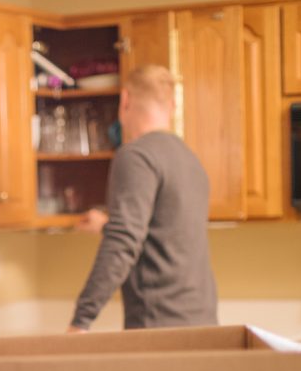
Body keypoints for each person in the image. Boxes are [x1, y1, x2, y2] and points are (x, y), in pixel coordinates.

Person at [67, 64, 218, 332]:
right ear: (172, 106)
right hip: (204, 323)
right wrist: (105, 225)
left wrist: (81, 319)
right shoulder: (190, 159)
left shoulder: (136, 156)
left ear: (125, 99)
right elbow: (163, 235)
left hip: (159, 327)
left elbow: (123, 241)